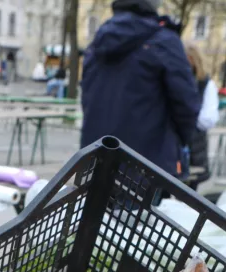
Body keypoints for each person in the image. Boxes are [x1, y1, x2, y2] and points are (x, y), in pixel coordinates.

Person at [80, 0, 198, 178]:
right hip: (148, 163)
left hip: (97, 158)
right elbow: (187, 105)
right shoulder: (164, 41)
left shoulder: (97, 42)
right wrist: (179, 142)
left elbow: (87, 98)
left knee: (99, 205)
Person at [184, 43, 218, 187]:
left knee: (187, 200)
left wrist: (184, 113)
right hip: (171, 153)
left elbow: (208, 120)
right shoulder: (172, 79)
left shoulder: (205, 85)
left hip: (194, 151)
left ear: (192, 59)